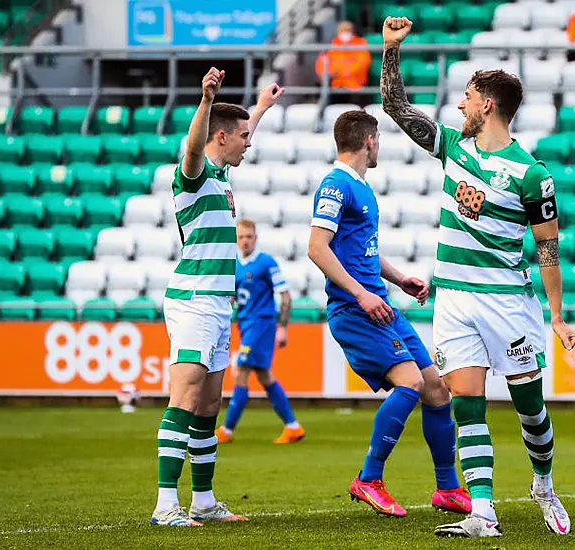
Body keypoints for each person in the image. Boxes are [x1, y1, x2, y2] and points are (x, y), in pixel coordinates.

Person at [381, 16, 575, 538]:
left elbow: (549, 249)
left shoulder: (532, 174)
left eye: (468, 97)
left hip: (509, 304)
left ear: (487, 104)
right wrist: (390, 51)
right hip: (455, 303)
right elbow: (396, 109)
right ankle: (482, 512)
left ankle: (544, 484)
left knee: (529, 408)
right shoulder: (453, 146)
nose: (460, 106)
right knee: (466, 405)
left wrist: (557, 316)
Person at [307, 110, 471, 518]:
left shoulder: (361, 187)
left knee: (436, 388)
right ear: (369, 140)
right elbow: (317, 248)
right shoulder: (336, 185)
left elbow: (362, 252)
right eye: (378, 139)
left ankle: (447, 488)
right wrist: (362, 295)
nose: (379, 146)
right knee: (411, 383)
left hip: (381, 303)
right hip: (356, 308)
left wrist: (399, 280)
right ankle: (369, 478)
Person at [151, 68, 282, 527]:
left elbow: (238, 132)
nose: (250, 142)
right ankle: (166, 505)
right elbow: (192, 148)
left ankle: (202, 501)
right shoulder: (194, 176)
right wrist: (205, 99)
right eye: (243, 136)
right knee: (183, 399)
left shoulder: (223, 175)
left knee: (208, 406)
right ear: (220, 136)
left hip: (216, 304)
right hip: (193, 300)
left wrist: (261, 107)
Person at [215, 219, 306, 445]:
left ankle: (226, 430)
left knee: (242, 369)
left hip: (262, 324)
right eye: (241, 237)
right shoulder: (233, 264)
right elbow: (232, 297)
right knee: (265, 376)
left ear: (255, 238)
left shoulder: (266, 263)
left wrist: (282, 327)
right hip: (245, 324)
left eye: (249, 236)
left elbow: (284, 294)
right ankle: (293, 426)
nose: (245, 241)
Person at [316, 21, 372, 106]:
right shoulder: (333, 44)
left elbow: (363, 62)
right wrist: (330, 73)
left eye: (347, 30)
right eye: (342, 30)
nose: (345, 33)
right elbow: (321, 63)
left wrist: (342, 72)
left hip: (354, 84)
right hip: (335, 84)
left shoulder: (360, 43)